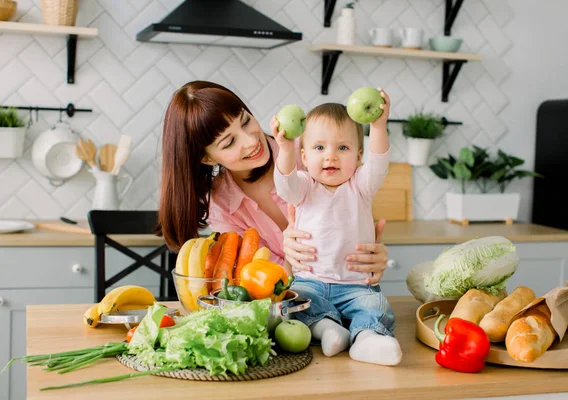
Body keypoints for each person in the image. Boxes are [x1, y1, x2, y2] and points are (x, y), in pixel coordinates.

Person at [156, 80, 389, 287]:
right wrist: (289, 261)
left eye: (246, 121)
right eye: (229, 143)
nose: (250, 140)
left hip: (350, 286)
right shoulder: (222, 205)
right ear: (207, 158)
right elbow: (262, 281)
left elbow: (354, 207)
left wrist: (373, 253)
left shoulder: (311, 151)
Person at [270, 93, 402, 366]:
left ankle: (366, 339)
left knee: (377, 307)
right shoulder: (304, 187)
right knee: (298, 303)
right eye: (319, 148)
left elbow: (379, 161)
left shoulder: (361, 186)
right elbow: (284, 184)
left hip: (357, 286)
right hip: (311, 283)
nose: (330, 156)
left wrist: (377, 126)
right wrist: (285, 149)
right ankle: (328, 330)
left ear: (358, 156)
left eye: (342, 148)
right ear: (303, 157)